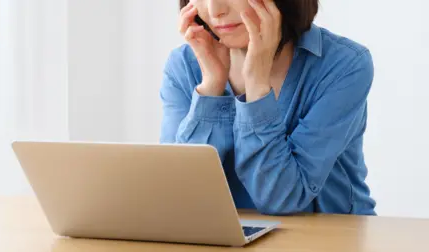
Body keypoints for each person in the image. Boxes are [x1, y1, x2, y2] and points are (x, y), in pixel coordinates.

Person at [159, 0, 376, 215]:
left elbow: (282, 199)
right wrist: (211, 87)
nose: (216, 10)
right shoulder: (184, 66)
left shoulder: (344, 64)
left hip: (330, 240)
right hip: (225, 244)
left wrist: (256, 84)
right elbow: (178, 198)